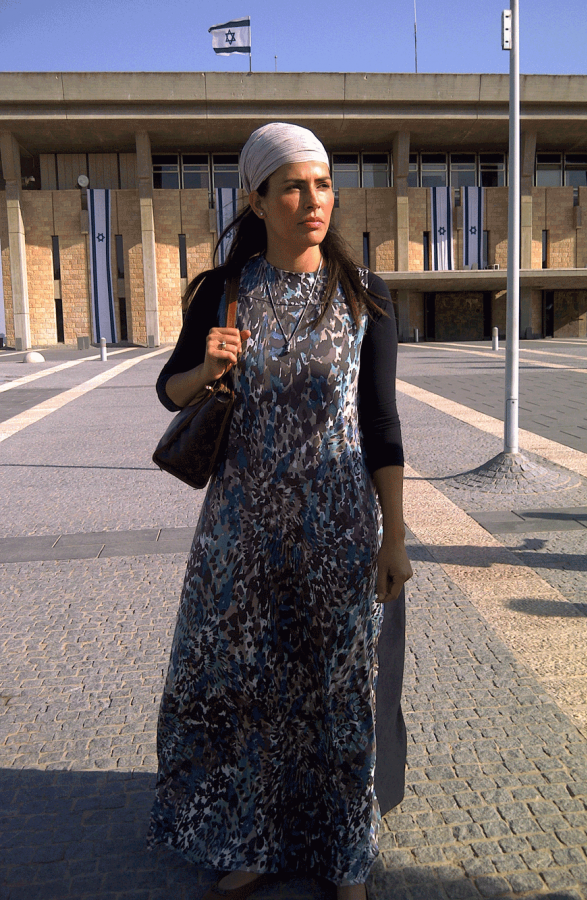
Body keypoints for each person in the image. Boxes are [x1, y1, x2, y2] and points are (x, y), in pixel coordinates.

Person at [148, 122, 412, 900]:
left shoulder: (366, 295)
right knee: (247, 690)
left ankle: (342, 853)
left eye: (323, 184)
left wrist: (393, 537)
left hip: (338, 530)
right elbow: (169, 390)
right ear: (256, 198)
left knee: (338, 691)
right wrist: (208, 364)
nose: (312, 201)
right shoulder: (222, 291)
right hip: (241, 534)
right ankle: (250, 839)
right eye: (293, 186)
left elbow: (382, 424)